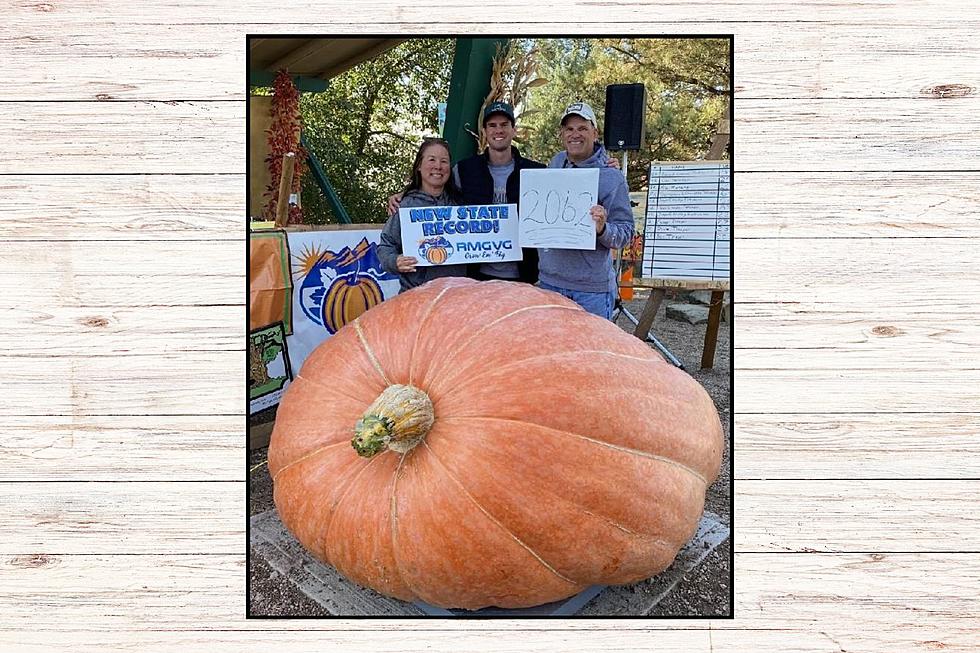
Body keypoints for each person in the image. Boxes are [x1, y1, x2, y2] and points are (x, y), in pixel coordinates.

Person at [537, 101, 635, 320]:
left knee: (592, 354)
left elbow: (626, 232)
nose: (575, 134)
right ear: (562, 133)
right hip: (549, 283)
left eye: (582, 128)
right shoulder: (555, 164)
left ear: (595, 132)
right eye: (570, 129)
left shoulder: (611, 176)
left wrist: (602, 229)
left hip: (591, 291)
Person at [378, 138, 468, 292]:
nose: (438, 166)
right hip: (416, 295)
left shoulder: (461, 205)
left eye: (444, 161)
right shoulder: (405, 205)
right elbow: (386, 246)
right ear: (419, 165)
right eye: (432, 159)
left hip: (456, 295)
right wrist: (394, 261)